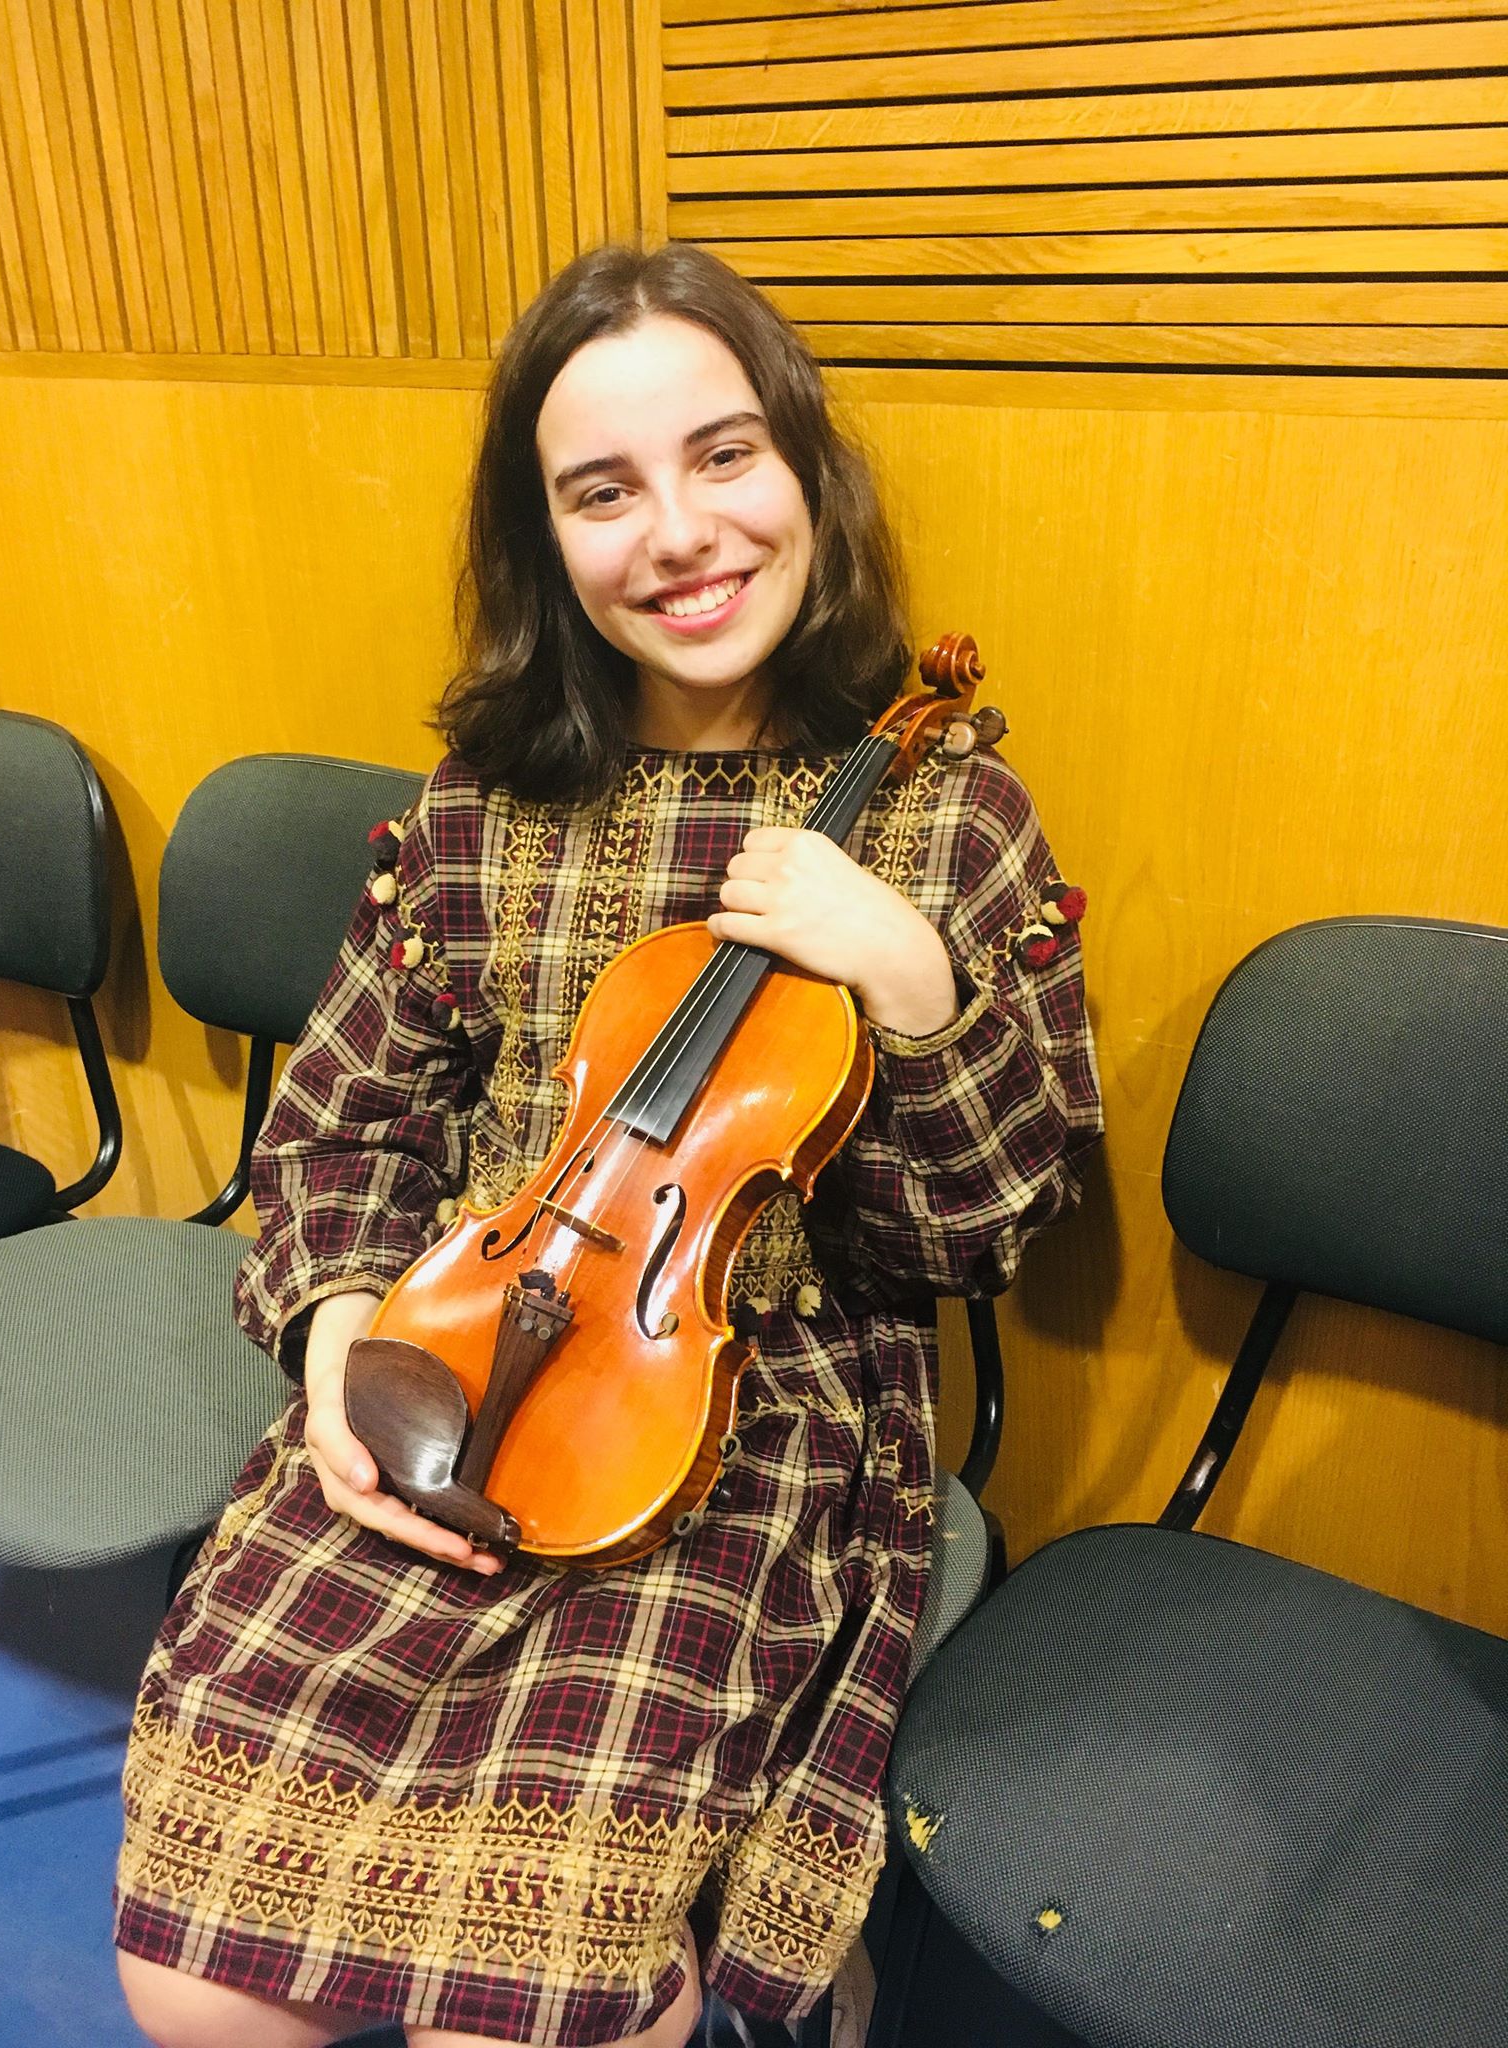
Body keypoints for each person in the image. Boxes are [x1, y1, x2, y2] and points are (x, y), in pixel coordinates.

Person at [113, 242, 1103, 2048]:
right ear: (545, 538)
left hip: (754, 1400)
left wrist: (903, 974)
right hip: (464, 1333)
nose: (679, 533)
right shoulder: (487, 803)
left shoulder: (950, 812)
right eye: (603, 490)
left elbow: (979, 1235)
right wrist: (341, 1338)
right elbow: (339, 1120)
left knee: (533, 2012)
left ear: (807, 470)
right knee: (191, 1991)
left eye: (725, 456)